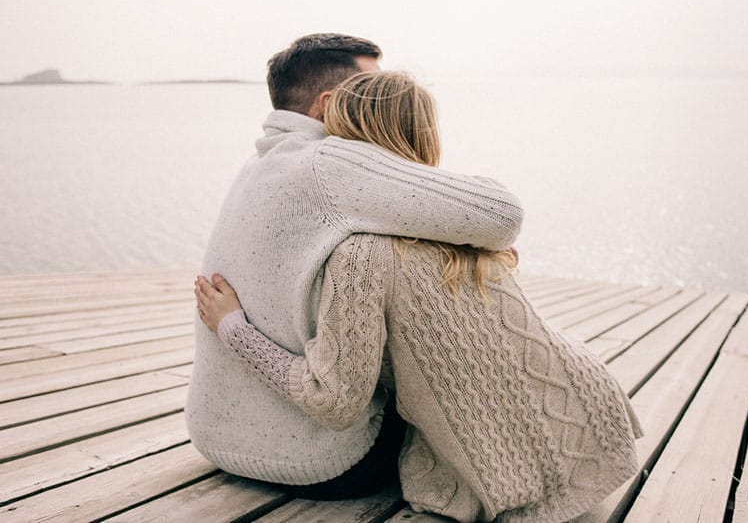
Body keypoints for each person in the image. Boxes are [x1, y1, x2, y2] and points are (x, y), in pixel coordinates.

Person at [195, 71, 644, 523]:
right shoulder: (463, 235)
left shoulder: (360, 254)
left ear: (347, 139)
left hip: (509, 471)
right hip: (592, 417)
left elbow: (332, 399)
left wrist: (233, 328)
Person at [185, 34, 524, 500]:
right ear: (328, 105)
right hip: (325, 462)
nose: (385, 99)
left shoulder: (259, 163)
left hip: (219, 441)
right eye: (371, 87)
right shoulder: (328, 162)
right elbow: (502, 215)